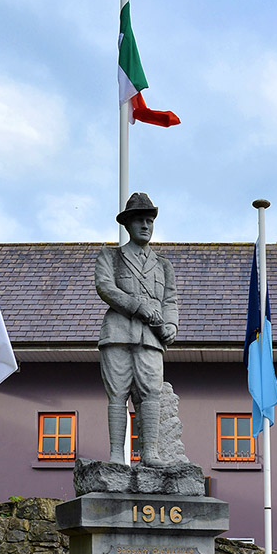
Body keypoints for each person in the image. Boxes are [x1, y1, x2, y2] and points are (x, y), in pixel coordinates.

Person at [95, 192, 178, 465]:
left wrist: (171, 325)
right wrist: (137, 307)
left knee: (150, 394)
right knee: (117, 393)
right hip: (118, 335)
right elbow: (105, 287)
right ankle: (117, 455)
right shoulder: (110, 256)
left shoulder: (164, 265)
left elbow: (170, 300)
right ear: (127, 224)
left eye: (149, 221)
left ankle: (150, 454)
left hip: (151, 339)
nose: (145, 226)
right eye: (140, 220)